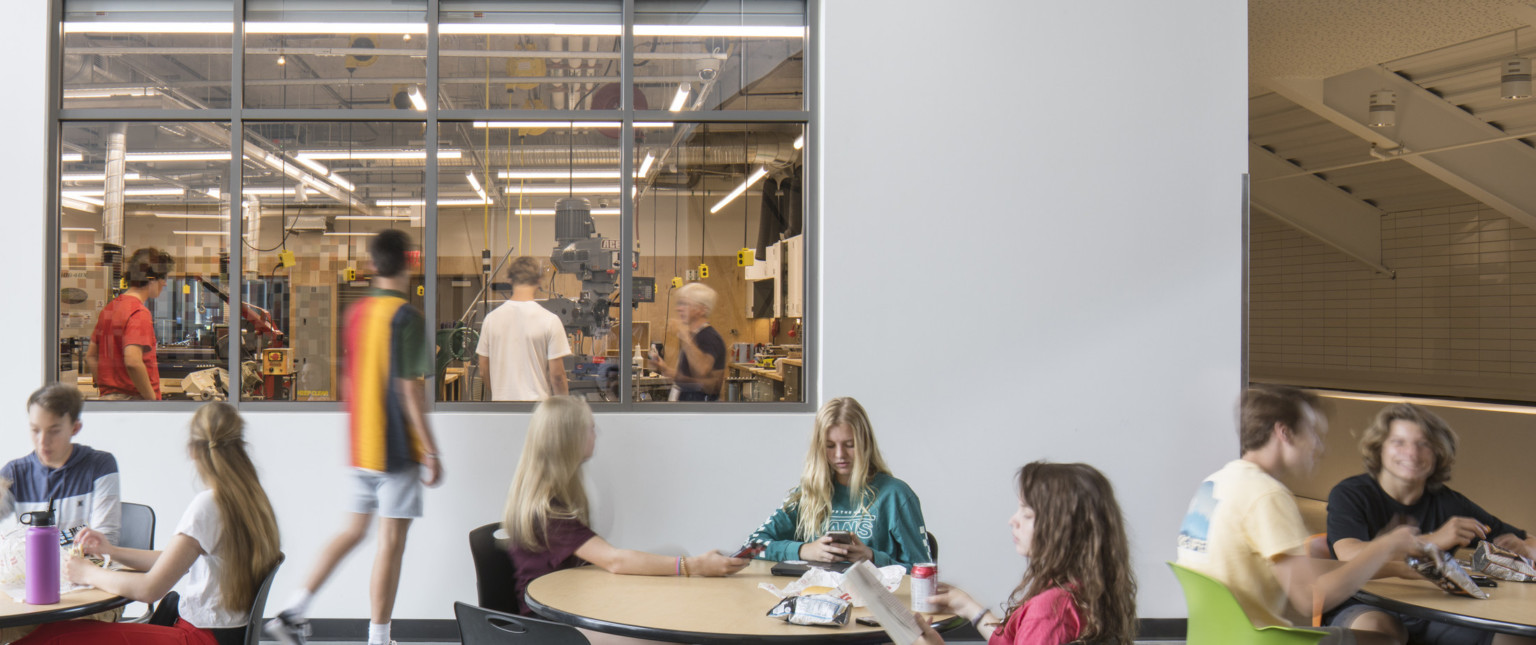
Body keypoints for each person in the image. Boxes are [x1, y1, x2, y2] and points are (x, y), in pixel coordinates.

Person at [266, 230, 444, 645]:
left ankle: (293, 610)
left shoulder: (358, 314)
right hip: (397, 449)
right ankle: (379, 639)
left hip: (360, 445)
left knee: (352, 531)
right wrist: (431, 451)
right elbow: (410, 390)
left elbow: (350, 377)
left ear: (371, 265)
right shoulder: (407, 317)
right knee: (391, 544)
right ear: (411, 260)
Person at [11, 402, 281, 645]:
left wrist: (86, 573)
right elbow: (173, 560)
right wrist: (113, 552)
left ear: (193, 451)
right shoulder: (252, 499)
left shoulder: (211, 504)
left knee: (51, 636)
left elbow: (150, 590)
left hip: (196, 638)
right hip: (220, 635)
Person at [1176, 386, 1421, 645]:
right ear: (1284, 432)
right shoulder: (1267, 494)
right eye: (1313, 432)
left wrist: (1393, 568)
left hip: (1213, 637)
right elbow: (1308, 599)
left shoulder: (1216, 483)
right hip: (1260, 640)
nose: (1320, 447)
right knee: (1390, 637)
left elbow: (1302, 569)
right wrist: (1384, 546)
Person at [502, 395, 748, 618]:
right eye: (589, 428)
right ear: (570, 439)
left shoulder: (547, 499)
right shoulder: (549, 512)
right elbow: (615, 561)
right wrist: (692, 566)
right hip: (550, 626)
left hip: (565, 607)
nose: (596, 433)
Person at [1325, 403, 1536, 645]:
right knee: (1383, 633)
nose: (1412, 454)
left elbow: (1526, 539)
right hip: (1362, 603)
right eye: (1399, 442)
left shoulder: (1450, 504)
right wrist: (1434, 540)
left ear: (1438, 454)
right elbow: (1348, 556)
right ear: (1379, 448)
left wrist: (1528, 550)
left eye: (1423, 444)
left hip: (1435, 611)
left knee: (1516, 638)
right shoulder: (1351, 494)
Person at [913, 461, 1137, 645]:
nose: (1013, 520)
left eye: (1027, 514)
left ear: (1062, 530)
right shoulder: (1082, 588)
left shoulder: (1051, 609)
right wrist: (968, 606)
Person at [745, 397, 932, 569]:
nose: (840, 455)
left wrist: (872, 557)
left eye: (850, 445)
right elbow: (752, 547)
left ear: (865, 443)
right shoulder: (808, 493)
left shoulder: (896, 495)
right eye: (830, 446)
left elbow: (924, 571)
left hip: (873, 600)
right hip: (816, 597)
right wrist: (805, 550)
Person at [0, 383, 121, 546]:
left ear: (75, 428)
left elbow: (104, 540)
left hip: (83, 567)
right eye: (35, 430)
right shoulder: (14, 473)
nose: (42, 442)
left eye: (54, 431)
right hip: (31, 568)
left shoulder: (99, 467)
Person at [475, 256, 571, 401]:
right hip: (537, 411)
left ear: (509, 280)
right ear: (539, 281)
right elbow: (557, 377)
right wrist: (564, 407)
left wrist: (499, 394)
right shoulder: (550, 320)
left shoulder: (491, 320)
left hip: (501, 410)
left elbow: (483, 369)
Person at [86, 247, 173, 400]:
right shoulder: (139, 313)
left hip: (108, 402)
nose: (165, 284)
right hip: (134, 402)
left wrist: (108, 389)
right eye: (163, 278)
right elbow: (133, 361)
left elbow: (91, 356)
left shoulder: (110, 308)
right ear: (151, 279)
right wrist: (151, 400)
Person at [647, 282, 725, 401]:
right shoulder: (694, 336)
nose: (678, 308)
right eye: (679, 304)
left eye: (685, 304)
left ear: (702, 309)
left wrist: (684, 335)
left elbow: (702, 373)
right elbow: (691, 378)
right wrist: (665, 369)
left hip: (699, 412)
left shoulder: (709, 337)